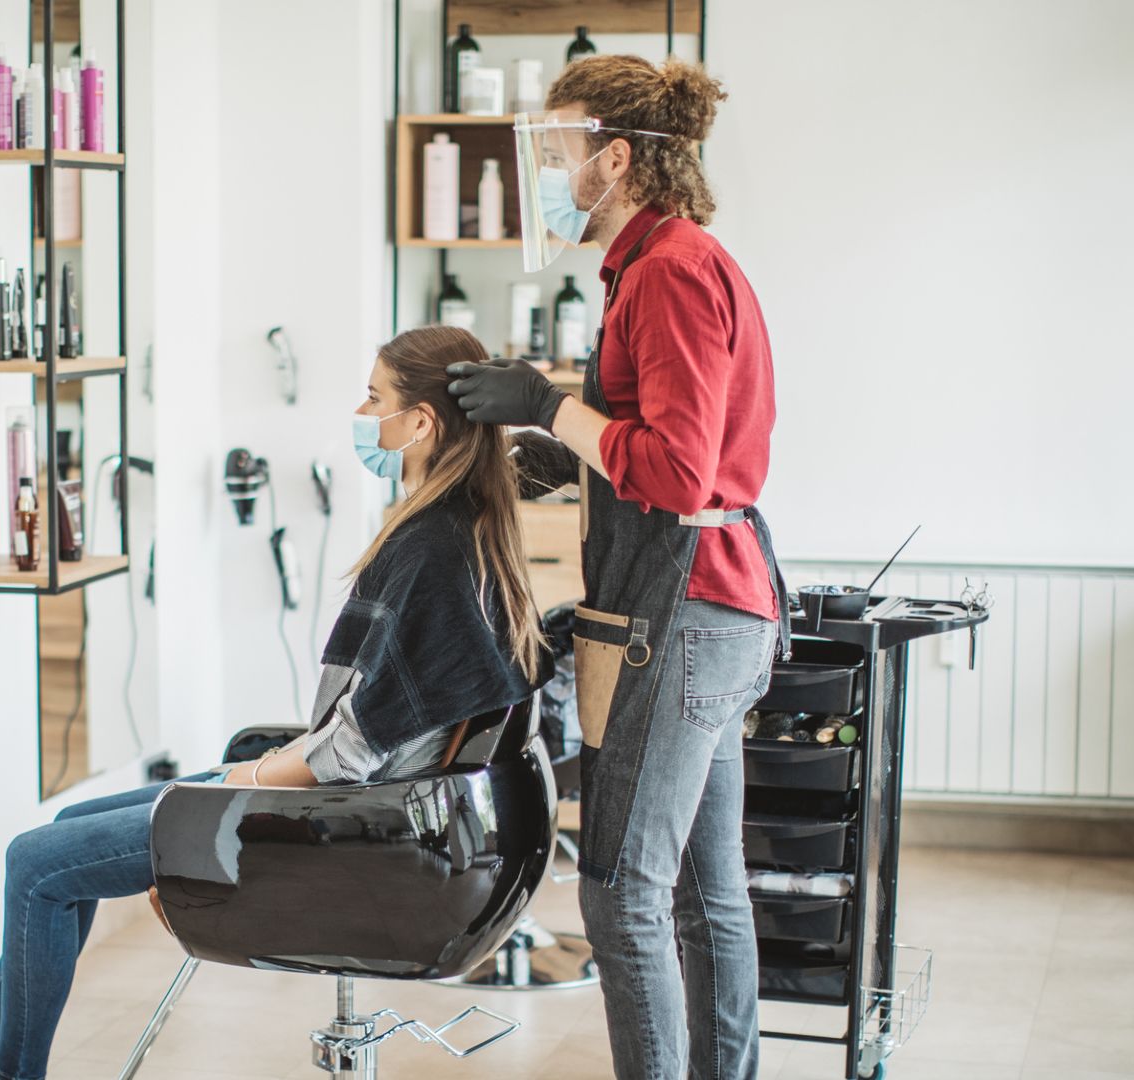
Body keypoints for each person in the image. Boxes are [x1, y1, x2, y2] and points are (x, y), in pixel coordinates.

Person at [0, 325, 549, 1080]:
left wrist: (250, 780)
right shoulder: (459, 519)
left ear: (423, 424)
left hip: (345, 819)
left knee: (35, 862)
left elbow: (350, 753)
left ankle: (2, 1072)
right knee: (71, 828)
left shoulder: (429, 547)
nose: (361, 412)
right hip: (358, 799)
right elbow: (362, 729)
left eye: (374, 397)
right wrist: (262, 766)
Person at [446, 55, 792, 1080]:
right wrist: (540, 454)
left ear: (616, 158)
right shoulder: (658, 263)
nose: (550, 176)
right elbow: (644, 442)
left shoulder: (671, 272)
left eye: (558, 154)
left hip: (685, 615)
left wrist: (551, 404)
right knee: (703, 890)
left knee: (621, 890)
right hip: (717, 610)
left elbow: (681, 474)